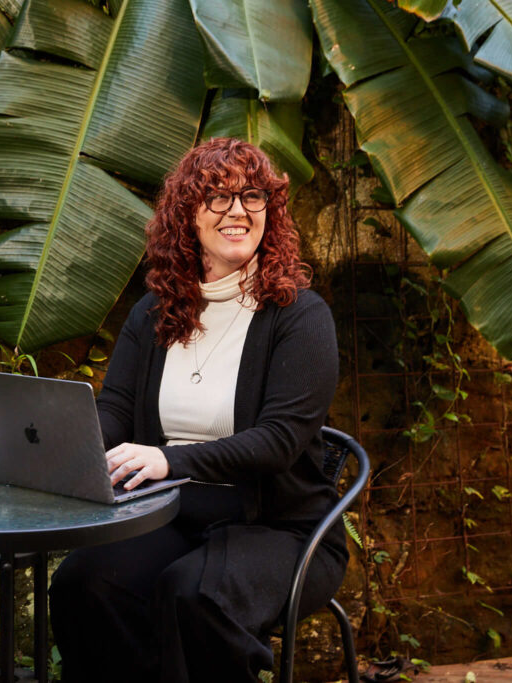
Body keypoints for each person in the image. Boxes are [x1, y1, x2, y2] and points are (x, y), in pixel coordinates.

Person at [49, 137, 347, 682]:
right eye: (218, 197)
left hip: (280, 529)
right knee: (84, 583)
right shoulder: (154, 313)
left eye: (252, 197)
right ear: (187, 216)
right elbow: (115, 408)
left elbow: (279, 441)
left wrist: (170, 462)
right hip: (172, 515)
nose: (238, 211)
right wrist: (56, 441)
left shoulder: (300, 317)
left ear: (269, 214)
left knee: (192, 596)